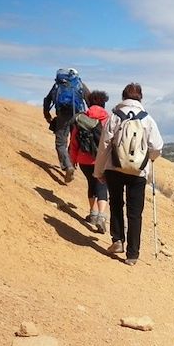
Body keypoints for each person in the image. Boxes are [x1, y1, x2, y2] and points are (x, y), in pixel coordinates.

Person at [93, 83, 163, 266]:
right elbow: (157, 147)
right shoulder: (147, 119)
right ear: (140, 97)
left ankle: (117, 240)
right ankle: (132, 254)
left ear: (123, 97)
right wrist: (148, 159)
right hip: (138, 172)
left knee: (116, 204)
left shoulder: (115, 116)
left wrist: (98, 170)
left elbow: (104, 146)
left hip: (114, 168)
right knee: (135, 212)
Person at [69, 90, 110, 233]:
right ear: (104, 103)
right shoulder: (107, 119)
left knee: (91, 184)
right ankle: (102, 216)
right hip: (101, 159)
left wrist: (72, 159)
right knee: (102, 186)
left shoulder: (81, 118)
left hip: (83, 160)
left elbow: (74, 141)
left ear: (89, 103)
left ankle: (92, 214)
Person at [43, 68, 90, 184]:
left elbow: (47, 100)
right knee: (74, 141)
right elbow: (90, 100)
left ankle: (68, 166)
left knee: (60, 143)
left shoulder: (58, 85)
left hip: (62, 116)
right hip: (78, 116)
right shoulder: (79, 84)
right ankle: (71, 163)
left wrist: (47, 114)